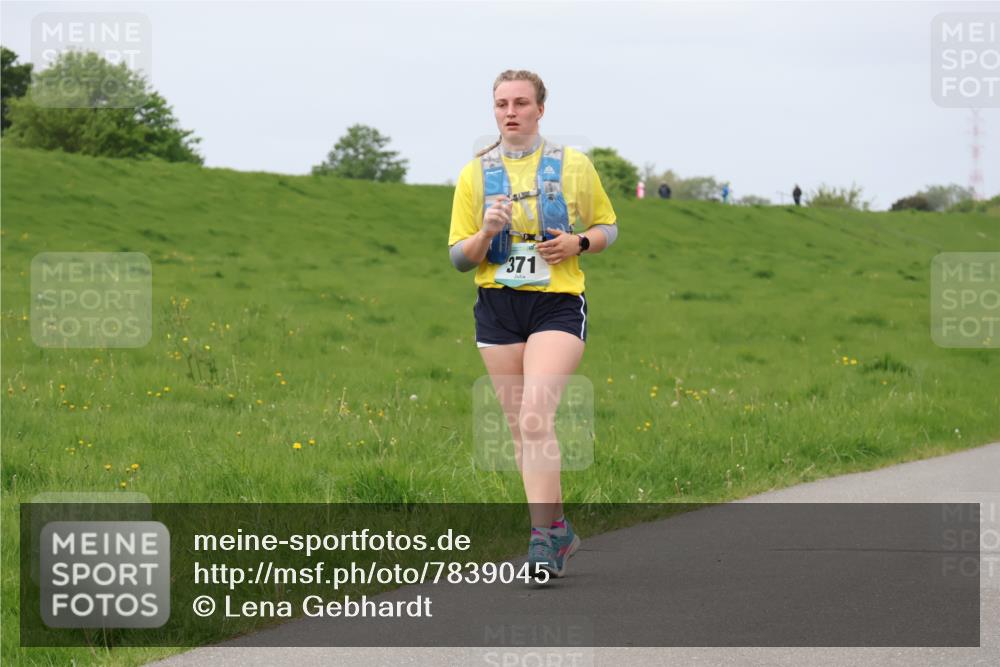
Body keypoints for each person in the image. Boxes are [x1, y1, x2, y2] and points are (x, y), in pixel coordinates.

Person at [448, 70, 618, 579]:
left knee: (535, 418)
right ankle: (559, 529)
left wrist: (578, 243)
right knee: (522, 429)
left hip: (556, 305)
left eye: (521, 102)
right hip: (497, 306)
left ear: (540, 109)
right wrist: (487, 232)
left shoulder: (573, 165)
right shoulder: (475, 174)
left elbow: (608, 226)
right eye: (501, 103)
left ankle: (541, 541)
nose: (510, 112)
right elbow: (460, 258)